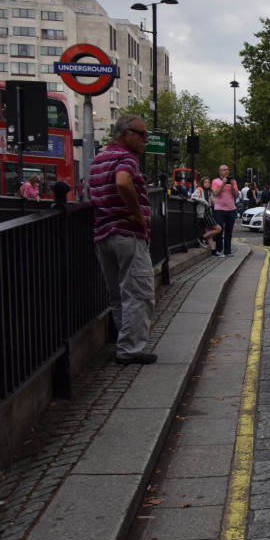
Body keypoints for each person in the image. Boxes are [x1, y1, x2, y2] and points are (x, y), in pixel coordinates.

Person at [90, 114, 156, 365]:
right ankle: (129, 350)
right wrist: (138, 214)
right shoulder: (125, 158)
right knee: (138, 294)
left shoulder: (99, 158)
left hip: (103, 234)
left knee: (118, 295)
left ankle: (123, 344)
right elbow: (123, 183)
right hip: (127, 234)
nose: (146, 140)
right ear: (125, 133)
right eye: (141, 134)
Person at [211, 164, 240, 256]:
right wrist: (223, 184)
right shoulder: (215, 181)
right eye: (224, 170)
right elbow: (215, 193)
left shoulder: (233, 181)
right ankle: (219, 249)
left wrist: (232, 186)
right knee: (219, 230)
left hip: (231, 208)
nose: (226, 171)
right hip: (219, 209)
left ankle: (228, 251)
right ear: (220, 171)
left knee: (229, 231)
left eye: (227, 169)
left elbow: (236, 195)